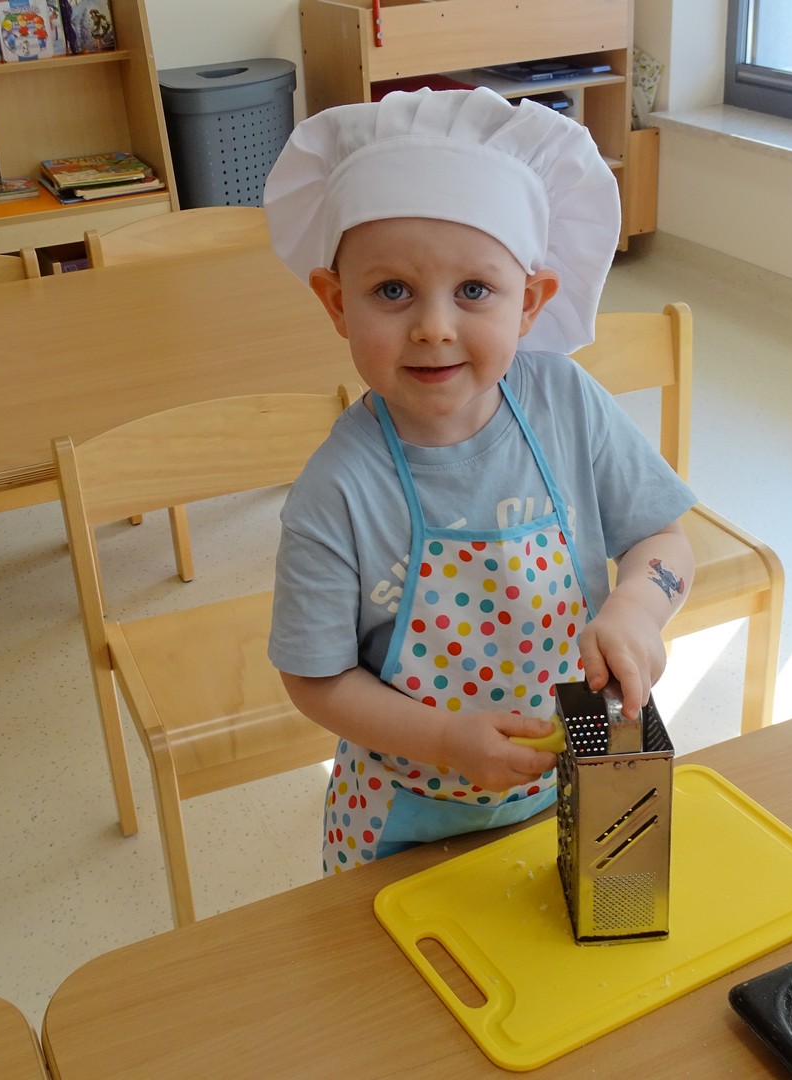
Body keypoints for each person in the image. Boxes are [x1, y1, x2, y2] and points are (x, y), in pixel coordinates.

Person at [262, 87, 697, 873]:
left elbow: (662, 540)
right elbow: (314, 678)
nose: (433, 327)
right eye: (392, 291)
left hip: (580, 777)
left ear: (529, 302)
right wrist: (442, 738)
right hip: (407, 814)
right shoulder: (336, 491)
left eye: (474, 291)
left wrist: (639, 609)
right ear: (336, 303)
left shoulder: (567, 403)